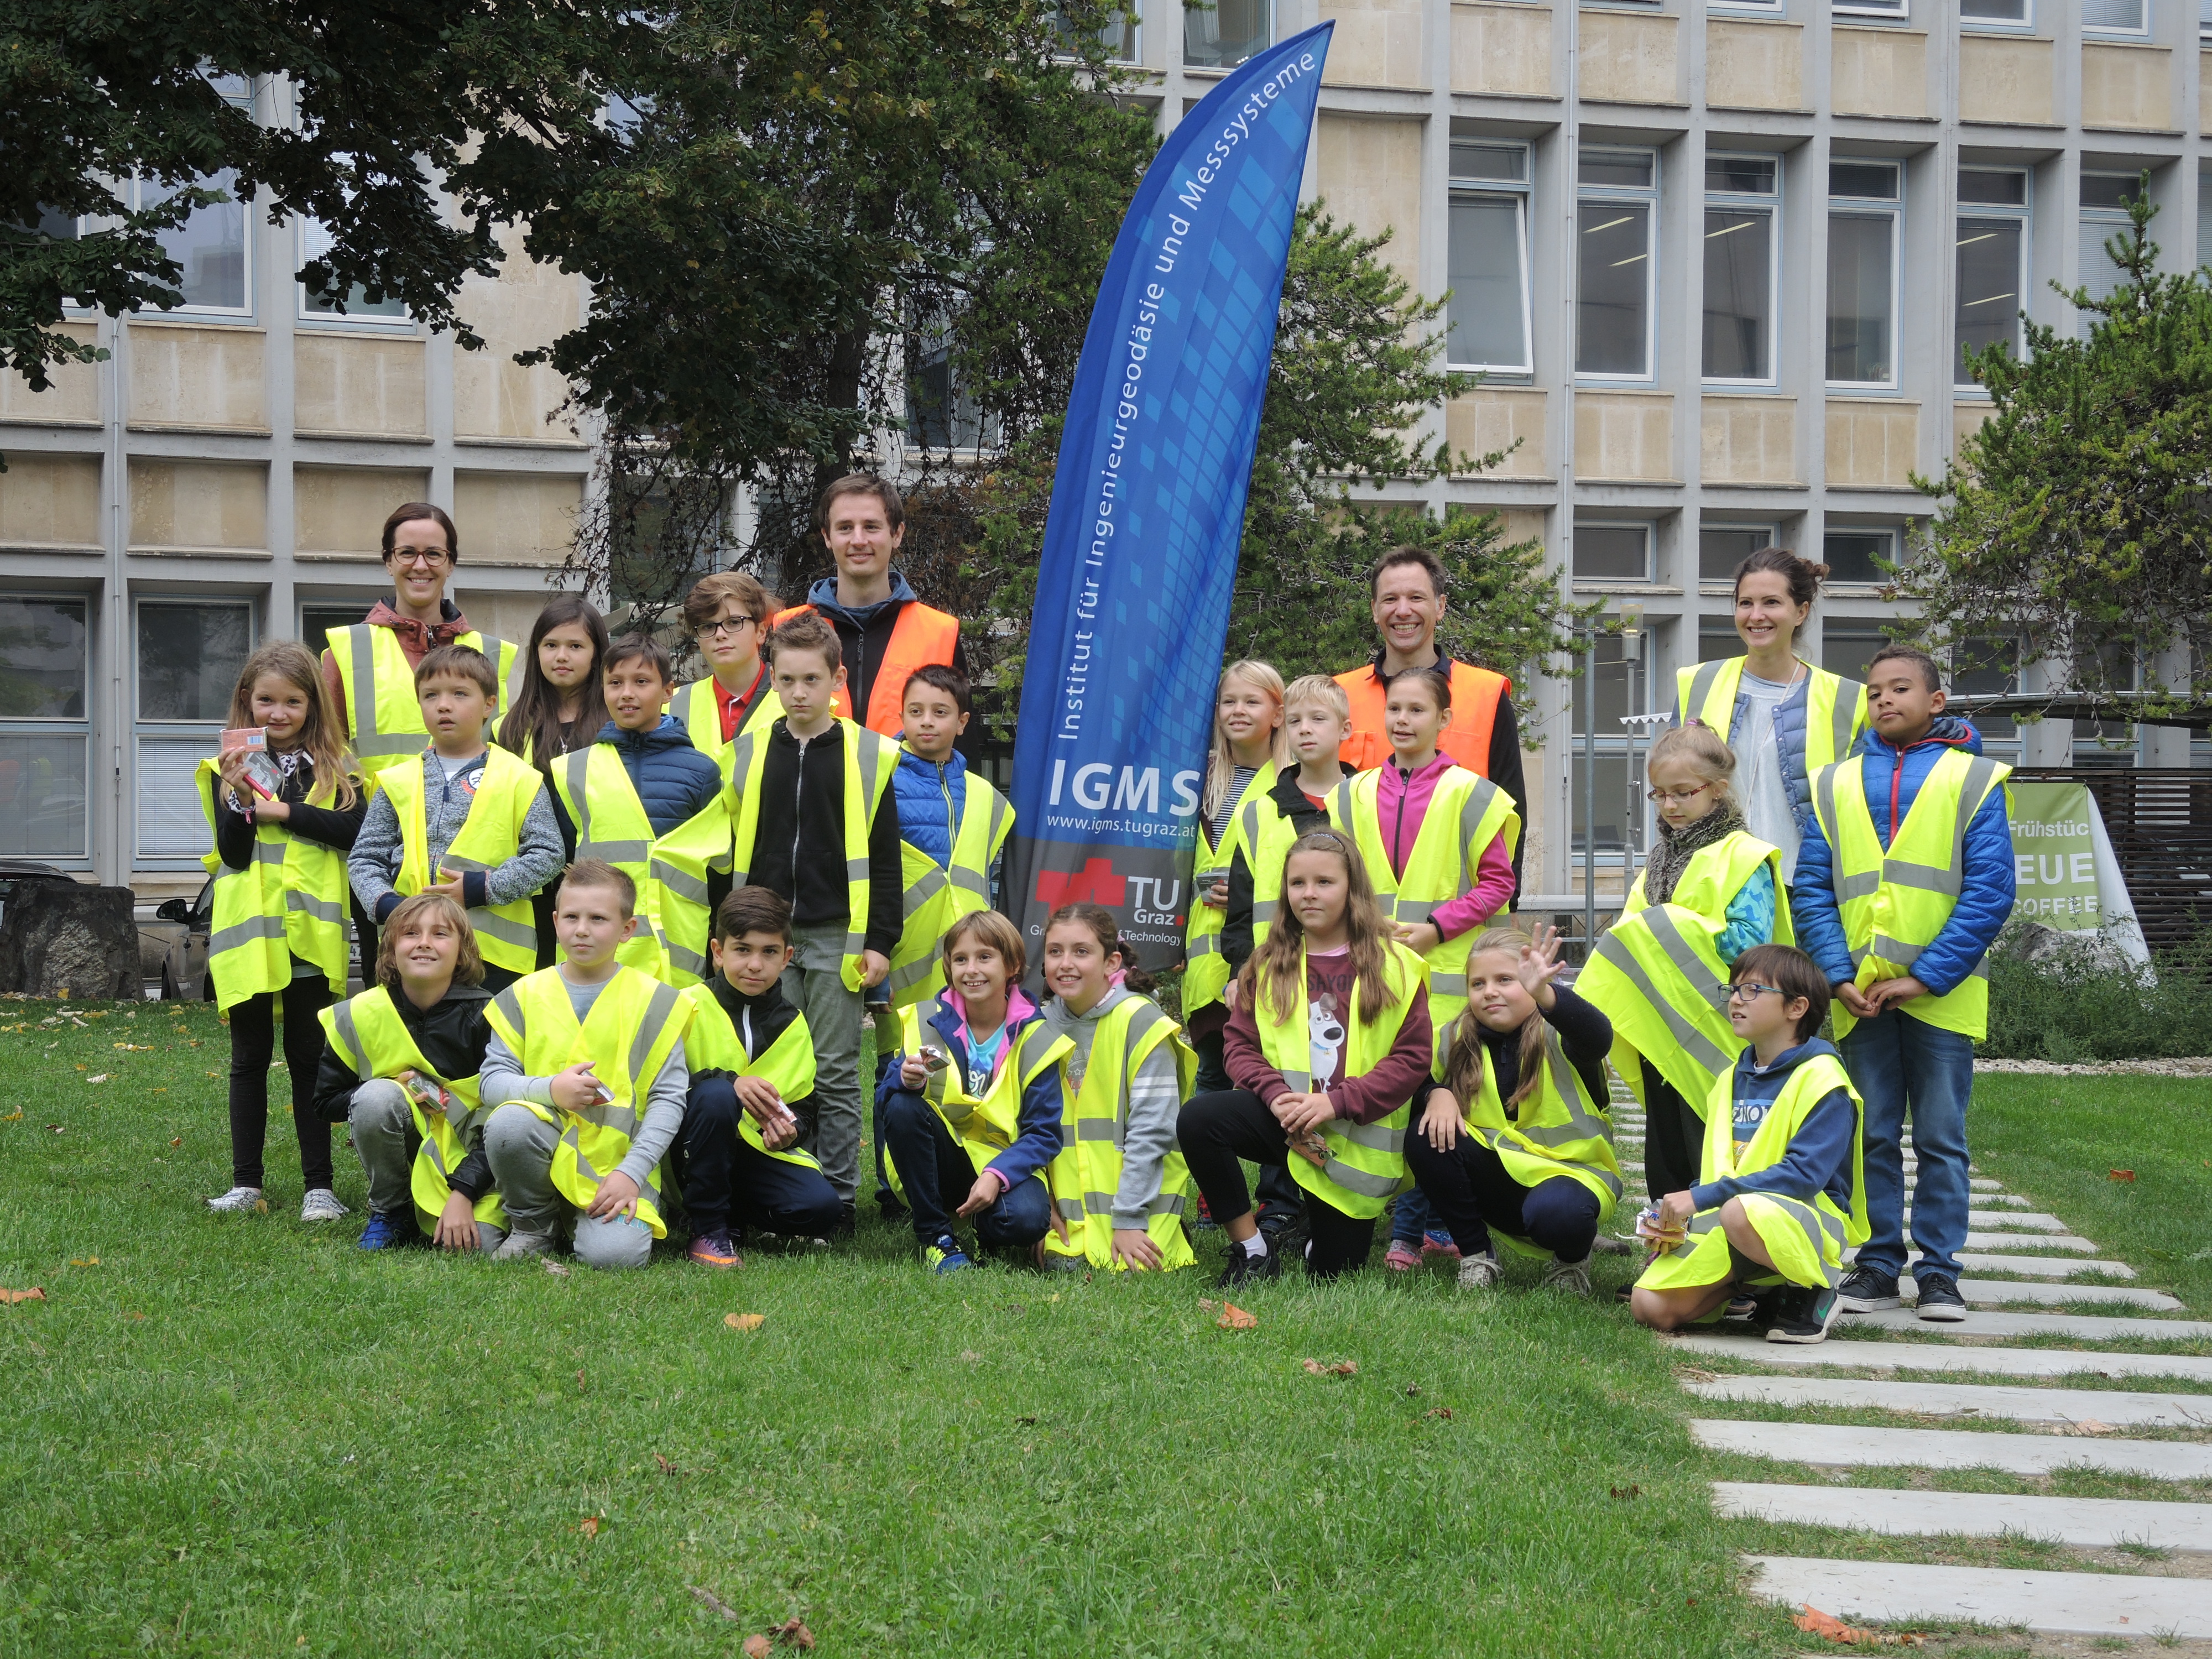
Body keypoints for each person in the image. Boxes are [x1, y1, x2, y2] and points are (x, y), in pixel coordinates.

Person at [1793, 645, 2013, 1323]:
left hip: (1940, 995)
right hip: (1859, 997)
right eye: (1874, 691)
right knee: (1870, 1134)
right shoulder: (1833, 783)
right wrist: (1835, 977)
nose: (1884, 699)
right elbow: (1812, 889)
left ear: (1936, 702)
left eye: (1899, 688)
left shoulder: (1974, 779)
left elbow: (1990, 890)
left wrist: (1925, 977)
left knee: (1941, 1137)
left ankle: (1940, 1275)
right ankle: (1878, 1265)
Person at [1328, 665, 1519, 1270]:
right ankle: (1397, 1226)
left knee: (1440, 1102)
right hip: (1373, 974)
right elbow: (1335, 880)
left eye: (1417, 710)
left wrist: (1437, 927)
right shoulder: (1349, 795)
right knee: (1388, 1098)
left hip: (1451, 978)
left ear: (1444, 720)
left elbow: (1498, 882)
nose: (1403, 720)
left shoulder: (1474, 794)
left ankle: (1422, 1232)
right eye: (1394, 709)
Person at [1181, 828, 1433, 1286]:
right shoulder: (1267, 963)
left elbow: (1411, 1060)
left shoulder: (1397, 965)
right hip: (1285, 1119)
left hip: (1351, 1138)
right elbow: (1239, 1045)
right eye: (1297, 883)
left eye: (1324, 882)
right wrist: (1275, 1095)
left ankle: (1314, 1231)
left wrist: (1335, 1103)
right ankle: (1253, 1249)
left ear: (1353, 889)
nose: (1308, 894)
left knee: (1333, 1273)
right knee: (1200, 1119)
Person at [726, 610, 903, 1227]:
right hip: (766, 939)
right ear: (771, 679)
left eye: (811, 680)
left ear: (837, 679)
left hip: (837, 936)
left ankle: (839, 1199)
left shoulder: (869, 755)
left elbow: (885, 859)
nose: (798, 693)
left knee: (833, 1070)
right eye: (786, 680)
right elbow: (731, 847)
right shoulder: (746, 753)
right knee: (774, 1068)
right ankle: (784, 1188)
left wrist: (880, 941)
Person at [1575, 723, 1790, 1206]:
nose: (1669, 805)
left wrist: (1670, 925)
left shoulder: (1745, 855)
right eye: (1659, 794)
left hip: (1722, 1027)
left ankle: (1718, 1241)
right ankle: (1669, 1241)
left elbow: (1750, 945)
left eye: (1682, 792)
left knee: (1713, 1143)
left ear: (1717, 789)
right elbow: (1628, 938)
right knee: (1665, 1148)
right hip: (1661, 1028)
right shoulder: (1658, 860)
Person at [196, 640, 367, 1222]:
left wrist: (284, 812)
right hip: (251, 938)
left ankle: (320, 1187)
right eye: (267, 700)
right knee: (249, 1058)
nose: (279, 712)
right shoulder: (228, 770)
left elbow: (354, 832)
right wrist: (243, 800)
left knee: (308, 1057)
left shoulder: (338, 768)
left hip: (311, 938)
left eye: (293, 701)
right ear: (247, 700)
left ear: (313, 704)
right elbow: (234, 854)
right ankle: (246, 1184)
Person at [320, 501, 523, 971]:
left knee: (474, 999)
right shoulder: (347, 651)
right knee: (396, 1000)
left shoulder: (490, 654)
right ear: (388, 561)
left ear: (451, 564)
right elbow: (326, 753)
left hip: (474, 862)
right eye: (407, 552)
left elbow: (505, 755)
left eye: (434, 554)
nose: (420, 565)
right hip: (384, 859)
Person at [1631, 944, 1866, 1345]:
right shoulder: (1730, 1078)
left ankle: (1814, 1288)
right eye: (1734, 989)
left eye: (1753, 990)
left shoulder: (1824, 1079)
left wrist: (1702, 1198)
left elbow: (1804, 1177)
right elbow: (1720, 1166)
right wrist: (1675, 1219)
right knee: (1648, 1307)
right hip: (1736, 1218)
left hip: (1806, 1221)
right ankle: (1759, 1286)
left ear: (1797, 1008)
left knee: (1738, 1212)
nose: (1736, 1000)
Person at [478, 861, 696, 1267]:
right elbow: (490, 1083)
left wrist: (632, 1173)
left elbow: (668, 1100)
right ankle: (533, 1224)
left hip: (616, 1169)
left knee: (616, 1258)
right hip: (539, 1153)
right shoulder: (522, 995)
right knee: (509, 1123)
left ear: (627, 929)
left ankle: (593, 1219)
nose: (582, 930)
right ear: (555, 921)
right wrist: (551, 1090)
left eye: (598, 919)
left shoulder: (657, 1002)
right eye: (572, 917)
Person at [1408, 923, 1621, 1295]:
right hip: (1499, 1182)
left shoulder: (1560, 1034)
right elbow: (1411, 1082)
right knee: (1424, 1134)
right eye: (1478, 984)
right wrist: (1435, 1094)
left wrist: (1546, 995)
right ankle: (1478, 1255)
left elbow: (1598, 1037)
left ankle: (1571, 1261)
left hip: (1571, 1178)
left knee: (1559, 1215)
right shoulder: (1454, 1038)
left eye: (1505, 980)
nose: (1490, 991)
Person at [1219, 672, 1354, 1249]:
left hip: (1348, 976)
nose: (1304, 730)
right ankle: (1278, 1206)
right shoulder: (1260, 812)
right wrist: (1237, 971)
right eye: (1294, 720)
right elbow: (1240, 905)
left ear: (1346, 730)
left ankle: (1341, 1205)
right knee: (1281, 1081)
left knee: (1339, 1081)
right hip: (1277, 978)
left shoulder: (1366, 802)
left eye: (1317, 719)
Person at [346, 645, 564, 992]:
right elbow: (365, 858)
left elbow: (549, 853)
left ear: (489, 704)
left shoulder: (520, 778)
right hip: (413, 951)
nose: (443, 705)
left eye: (460, 694)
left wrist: (484, 888)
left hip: (494, 959)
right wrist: (388, 906)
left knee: (489, 1030)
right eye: (430, 695)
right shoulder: (397, 781)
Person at [878, 910, 1070, 1272]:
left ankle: (985, 1224)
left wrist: (997, 1175)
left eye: (984, 957)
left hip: (1004, 1162)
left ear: (1012, 965)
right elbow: (884, 1105)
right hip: (942, 1160)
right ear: (949, 967)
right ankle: (936, 1236)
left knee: (1026, 1221)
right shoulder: (925, 1019)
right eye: (960, 960)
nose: (971, 970)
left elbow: (1044, 1134)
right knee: (902, 1106)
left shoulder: (1038, 1036)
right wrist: (904, 1080)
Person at [312, 893, 504, 1253]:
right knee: (375, 1097)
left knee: (479, 1246)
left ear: (462, 951)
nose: (424, 943)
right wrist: (392, 1089)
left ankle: (459, 1203)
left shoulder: (489, 1016)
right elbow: (326, 1102)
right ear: (390, 949)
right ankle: (392, 1211)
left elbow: (506, 1118)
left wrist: (465, 1191)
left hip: (477, 1159)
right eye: (411, 933)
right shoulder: (361, 1013)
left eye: (440, 934)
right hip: (408, 1147)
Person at [1333, 545, 1527, 888]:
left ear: (1440, 607)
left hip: (1463, 907)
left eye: (1416, 598)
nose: (1403, 610)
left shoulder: (1486, 693)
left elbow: (1512, 809)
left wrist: (1509, 903)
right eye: (1390, 599)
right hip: (1357, 906)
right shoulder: (1338, 696)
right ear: (1375, 610)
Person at [1672, 547, 1870, 881]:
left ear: (1801, 612)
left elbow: (1859, 811)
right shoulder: (1696, 683)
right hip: (1713, 884)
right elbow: (1673, 793)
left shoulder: (1849, 700)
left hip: (1806, 888)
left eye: (1771, 602)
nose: (1756, 615)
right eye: (1745, 603)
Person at [674, 886, 843, 1268]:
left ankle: (733, 1216)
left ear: (786, 958)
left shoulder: (793, 1023)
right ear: (718, 952)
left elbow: (803, 1104)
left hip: (751, 1154)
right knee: (717, 1096)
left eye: (769, 952)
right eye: (742, 950)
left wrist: (792, 1130)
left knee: (822, 1209)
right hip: (686, 1150)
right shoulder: (686, 1005)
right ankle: (708, 1228)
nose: (755, 964)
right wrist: (729, 1082)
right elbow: (655, 1085)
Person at [549, 635, 728, 983]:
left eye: (641, 682)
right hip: (598, 943)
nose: (626, 693)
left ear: (668, 691)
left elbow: (718, 865)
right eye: (615, 683)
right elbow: (565, 856)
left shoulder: (703, 771)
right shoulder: (574, 769)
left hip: (677, 942)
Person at [1038, 904, 1198, 1272]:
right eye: (1055, 951)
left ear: (1111, 963)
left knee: (1136, 1267)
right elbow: (1026, 1126)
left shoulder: (1142, 1022)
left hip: (1138, 1211)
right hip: (1068, 1220)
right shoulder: (1038, 1026)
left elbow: (1153, 1129)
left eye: (1081, 951)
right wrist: (1040, 1207)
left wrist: (1128, 1220)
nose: (1065, 963)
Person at [771, 474, 972, 757]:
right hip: (816, 785)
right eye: (845, 528)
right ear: (827, 537)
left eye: (871, 526)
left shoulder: (940, 633)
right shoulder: (786, 629)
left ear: (897, 534)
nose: (858, 540)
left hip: (904, 786)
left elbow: (960, 750)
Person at [883, 665, 1013, 1012]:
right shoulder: (880, 781)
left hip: (972, 959)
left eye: (940, 712)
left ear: (962, 722)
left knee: (975, 1041)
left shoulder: (986, 796)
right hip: (902, 954)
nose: (927, 721)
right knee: (906, 1045)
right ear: (902, 716)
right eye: (916, 712)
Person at [1184, 661, 1288, 1093]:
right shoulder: (1196, 779)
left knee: (1267, 1086)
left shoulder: (1291, 783)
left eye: (1252, 701)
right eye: (1229, 702)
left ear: (1278, 714)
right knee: (1209, 1078)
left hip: (1266, 964)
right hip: (1204, 972)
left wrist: (1249, 893)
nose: (1238, 711)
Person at [497, 594, 610, 965]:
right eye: (551, 645)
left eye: (576, 646)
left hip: (602, 883)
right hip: (533, 889)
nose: (562, 656)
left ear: (597, 654)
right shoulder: (508, 730)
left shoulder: (618, 725)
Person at [669, 571, 781, 784]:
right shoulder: (669, 707)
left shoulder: (798, 699)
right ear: (698, 640)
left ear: (761, 631)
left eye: (734, 622)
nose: (720, 634)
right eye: (708, 626)